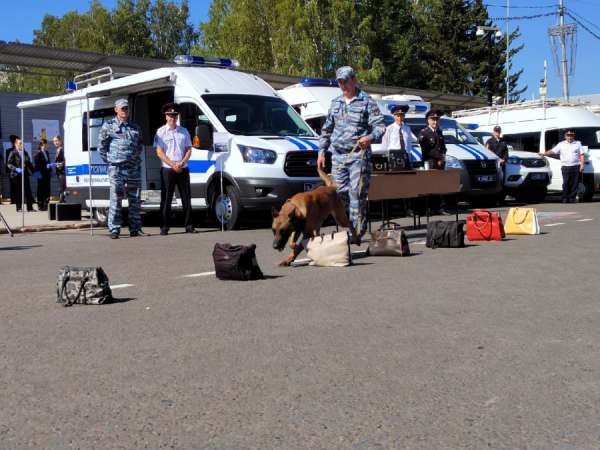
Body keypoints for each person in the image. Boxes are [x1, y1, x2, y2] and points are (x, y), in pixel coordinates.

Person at [317, 66, 385, 239]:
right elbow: (327, 129)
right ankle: (351, 225)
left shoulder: (366, 101)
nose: (342, 85)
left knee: (357, 195)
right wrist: (322, 152)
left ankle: (355, 234)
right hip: (338, 156)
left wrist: (369, 138)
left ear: (354, 80)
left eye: (345, 81)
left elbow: (380, 126)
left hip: (358, 157)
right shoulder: (335, 103)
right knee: (339, 195)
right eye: (339, 82)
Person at [98, 99, 146, 239]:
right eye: (122, 108)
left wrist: (133, 158)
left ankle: (135, 228)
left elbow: (140, 144)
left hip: (133, 168)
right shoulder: (109, 125)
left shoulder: (135, 126)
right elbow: (102, 147)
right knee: (116, 199)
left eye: (127, 108)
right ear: (116, 109)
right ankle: (114, 228)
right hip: (117, 168)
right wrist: (111, 161)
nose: (125, 111)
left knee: (135, 199)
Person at [153, 102, 198, 235]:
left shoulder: (183, 132)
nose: (173, 118)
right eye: (170, 116)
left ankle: (189, 226)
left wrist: (182, 162)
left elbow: (189, 149)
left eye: (175, 116)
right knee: (166, 199)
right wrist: (173, 164)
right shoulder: (161, 132)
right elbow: (159, 152)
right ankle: (164, 227)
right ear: (166, 117)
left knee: (186, 198)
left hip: (183, 168)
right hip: (168, 169)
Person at [381, 104, 414, 216]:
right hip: (393, 160)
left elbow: (409, 146)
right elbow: (385, 147)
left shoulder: (407, 129)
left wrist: (410, 161)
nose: (400, 118)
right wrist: (387, 161)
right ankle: (389, 211)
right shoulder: (389, 129)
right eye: (397, 116)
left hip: (405, 159)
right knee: (391, 186)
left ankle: (408, 209)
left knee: (407, 186)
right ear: (394, 117)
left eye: (401, 116)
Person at [538, 128, 585, 203]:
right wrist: (544, 154)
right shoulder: (561, 144)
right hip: (565, 167)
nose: (570, 137)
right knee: (566, 183)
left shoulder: (578, 144)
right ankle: (565, 197)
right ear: (565, 136)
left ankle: (572, 198)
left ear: (573, 136)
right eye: (568, 135)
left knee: (575, 183)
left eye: (571, 135)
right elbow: (552, 151)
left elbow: (582, 155)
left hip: (575, 166)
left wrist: (582, 164)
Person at [418, 108, 450, 215]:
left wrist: (443, 156)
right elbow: (426, 150)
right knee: (429, 186)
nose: (435, 122)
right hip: (429, 162)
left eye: (437, 120)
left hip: (440, 163)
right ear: (428, 121)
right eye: (433, 120)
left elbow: (443, 147)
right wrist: (439, 156)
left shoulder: (439, 132)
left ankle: (440, 208)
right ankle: (428, 209)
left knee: (440, 186)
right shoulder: (424, 133)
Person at [6, 137, 36, 212]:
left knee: (28, 190)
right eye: (19, 143)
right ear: (15, 144)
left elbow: (28, 163)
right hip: (17, 175)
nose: (21, 145)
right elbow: (9, 164)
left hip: (25, 174)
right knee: (18, 191)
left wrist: (34, 171)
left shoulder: (24, 152)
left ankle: (30, 207)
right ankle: (19, 208)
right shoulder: (13, 152)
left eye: (22, 143)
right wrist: (15, 168)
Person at [486, 125, 509, 206]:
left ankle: (501, 200)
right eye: (496, 131)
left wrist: (504, 160)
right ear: (493, 132)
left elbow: (506, 152)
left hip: (502, 164)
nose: (497, 132)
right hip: (494, 165)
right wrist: (497, 159)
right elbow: (488, 152)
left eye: (498, 131)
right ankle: (493, 200)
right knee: (495, 181)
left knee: (502, 182)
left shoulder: (503, 141)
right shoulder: (490, 141)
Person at [33, 139, 52, 211]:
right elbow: (37, 164)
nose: (48, 145)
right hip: (41, 173)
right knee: (41, 189)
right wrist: (38, 172)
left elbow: (48, 162)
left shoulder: (46, 152)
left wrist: (50, 170)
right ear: (44, 144)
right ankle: (40, 204)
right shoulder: (38, 153)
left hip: (46, 173)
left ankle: (46, 203)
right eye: (47, 144)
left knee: (47, 188)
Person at [53, 135, 67, 203]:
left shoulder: (64, 149)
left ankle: (62, 200)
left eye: (56, 141)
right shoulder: (58, 150)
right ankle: (62, 199)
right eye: (54, 141)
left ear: (61, 141)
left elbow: (67, 159)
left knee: (62, 186)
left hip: (63, 171)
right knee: (61, 185)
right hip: (59, 170)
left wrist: (62, 163)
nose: (55, 143)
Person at [6, 135, 19, 204]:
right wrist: (8, 171)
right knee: (13, 185)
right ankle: (13, 199)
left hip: (18, 171)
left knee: (16, 186)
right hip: (13, 171)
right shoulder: (9, 151)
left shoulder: (21, 150)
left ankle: (16, 199)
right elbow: (8, 163)